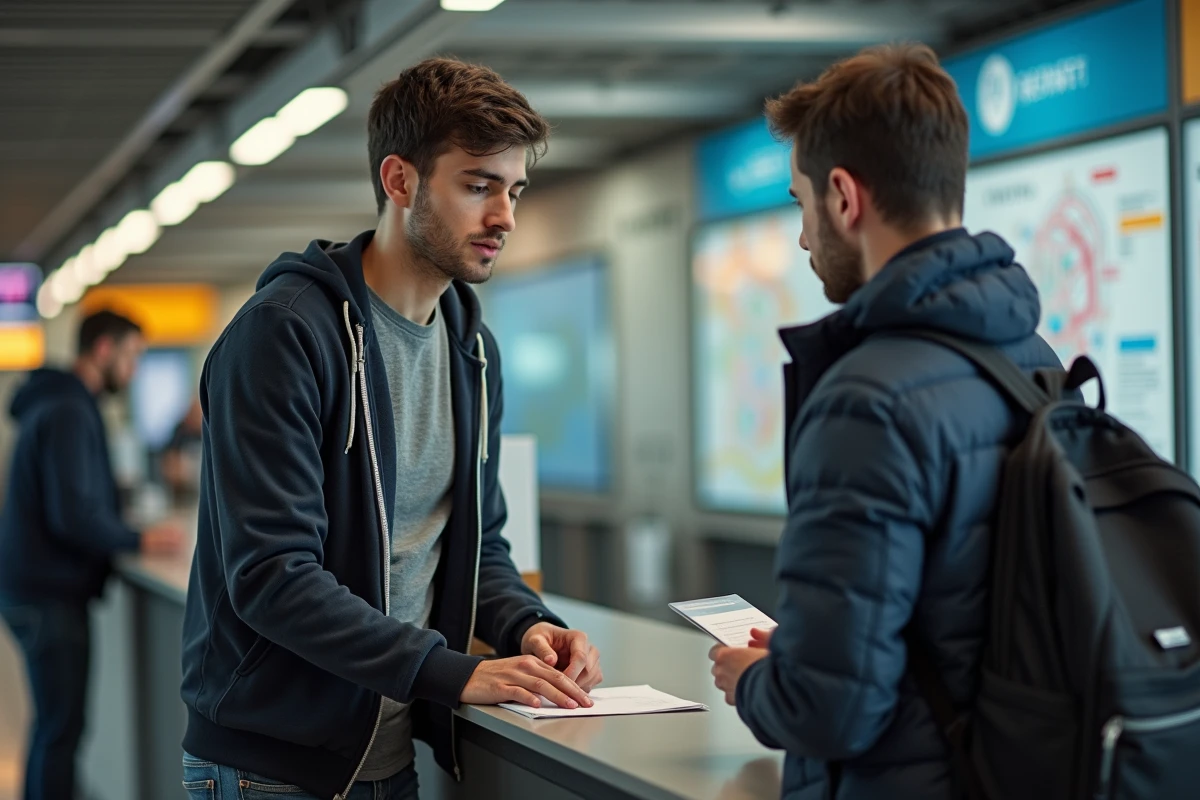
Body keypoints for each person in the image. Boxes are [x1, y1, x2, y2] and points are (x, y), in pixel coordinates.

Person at [180, 58, 603, 800]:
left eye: (514, 190)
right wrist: (454, 671)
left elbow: (477, 544)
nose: (504, 216)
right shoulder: (283, 336)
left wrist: (526, 626)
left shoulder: (471, 350)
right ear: (400, 180)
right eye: (477, 185)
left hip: (388, 758)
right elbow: (272, 576)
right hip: (269, 768)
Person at [708, 44, 1065, 799]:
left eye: (802, 206)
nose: (805, 238)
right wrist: (811, 652)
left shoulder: (865, 399)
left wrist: (756, 684)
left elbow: (830, 712)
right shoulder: (1033, 361)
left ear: (844, 197)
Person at [0, 309, 184, 800]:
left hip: (33, 591)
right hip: (47, 596)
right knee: (60, 731)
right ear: (103, 349)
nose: (133, 371)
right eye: (131, 357)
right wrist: (138, 540)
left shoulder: (58, 403)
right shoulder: (68, 410)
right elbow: (73, 513)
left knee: (55, 727)